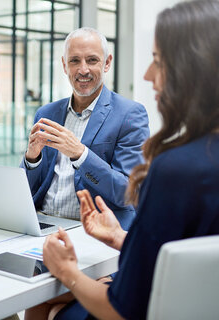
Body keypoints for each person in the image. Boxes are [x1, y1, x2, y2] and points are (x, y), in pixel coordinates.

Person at [27, 0, 219, 320]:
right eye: (74, 61)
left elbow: (121, 309)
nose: (146, 74)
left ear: (196, 68)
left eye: (158, 60)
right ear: (64, 65)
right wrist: (119, 237)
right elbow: (193, 252)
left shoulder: (176, 168)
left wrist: (68, 271)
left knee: (47, 306)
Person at [22, 27, 149, 230]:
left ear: (107, 63)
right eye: (74, 61)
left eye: (92, 60)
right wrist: (31, 160)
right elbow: (25, 190)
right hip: (41, 225)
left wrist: (80, 155)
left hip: (92, 230)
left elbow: (129, 192)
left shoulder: (130, 114)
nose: (83, 70)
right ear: (65, 65)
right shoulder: (46, 114)